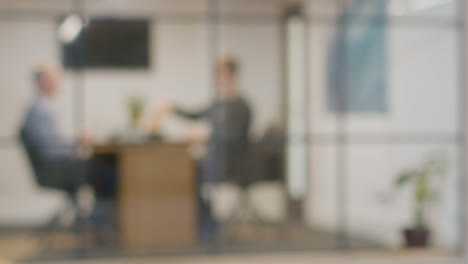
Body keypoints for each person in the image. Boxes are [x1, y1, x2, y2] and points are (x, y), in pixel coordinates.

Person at [156, 56, 252, 241]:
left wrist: (207, 136)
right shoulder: (218, 104)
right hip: (214, 159)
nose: (218, 78)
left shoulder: (242, 107)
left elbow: (233, 137)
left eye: (222, 73)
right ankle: (202, 222)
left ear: (232, 75)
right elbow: (195, 114)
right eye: (217, 74)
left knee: (194, 174)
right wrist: (171, 108)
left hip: (232, 162)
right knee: (187, 171)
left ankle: (208, 225)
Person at [20, 62, 90, 195]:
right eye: (55, 79)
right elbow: (51, 149)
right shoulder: (40, 109)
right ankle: (110, 213)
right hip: (54, 168)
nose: (58, 83)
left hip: (53, 166)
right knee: (102, 167)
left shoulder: (40, 106)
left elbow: (51, 143)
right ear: (43, 80)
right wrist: (77, 141)